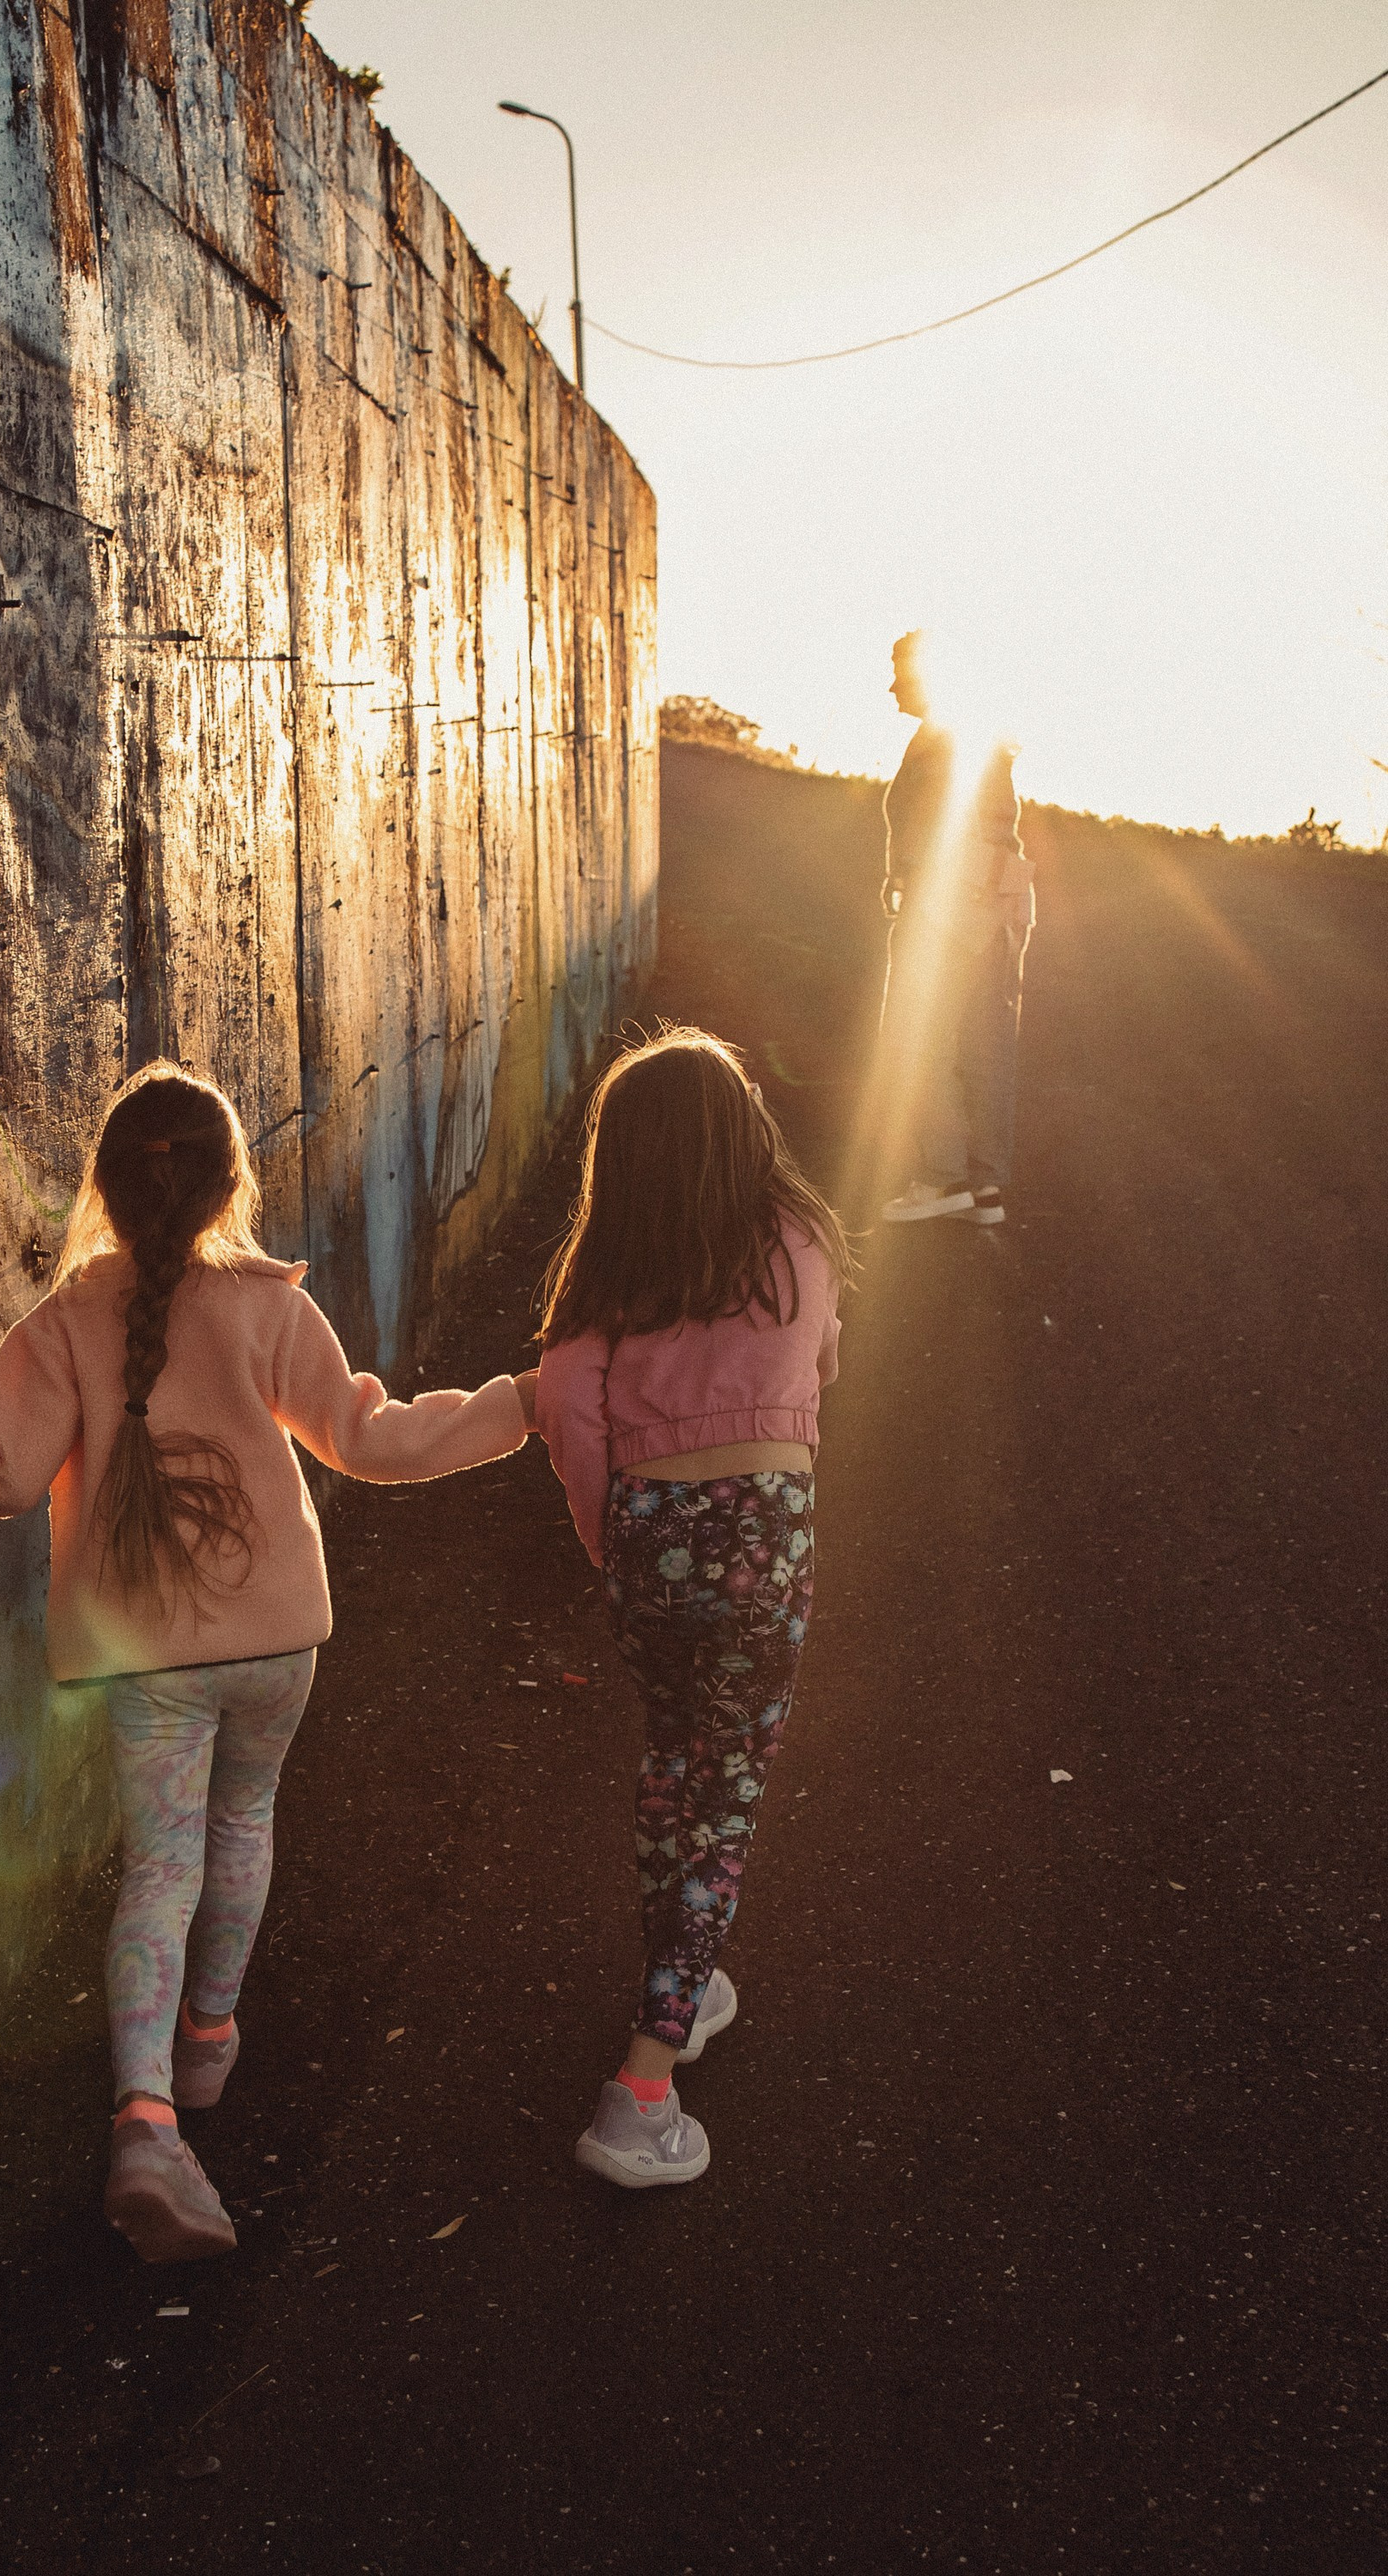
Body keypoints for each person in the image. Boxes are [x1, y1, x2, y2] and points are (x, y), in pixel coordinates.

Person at [0, 1062, 530, 2263]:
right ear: (230, 1184)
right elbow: (371, 1439)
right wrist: (516, 1403)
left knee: (159, 1868)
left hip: (145, 1661)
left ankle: (149, 2119)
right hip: (277, 1644)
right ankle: (210, 2042)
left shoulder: (59, 1325)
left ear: (103, 1187)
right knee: (244, 1827)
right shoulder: (269, 1304)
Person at [527, 1029, 852, 2188]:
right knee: (729, 1793)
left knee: (677, 1770)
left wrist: (612, 1537)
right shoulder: (801, 1242)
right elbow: (820, 1363)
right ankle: (642, 2087)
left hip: (652, 1541)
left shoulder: (615, 1274)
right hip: (765, 1536)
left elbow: (571, 1406)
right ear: (744, 1135)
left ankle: (688, 1978)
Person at [877, 629, 1035, 1225]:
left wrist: (912, 878)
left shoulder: (949, 736)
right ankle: (984, 1185)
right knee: (984, 1043)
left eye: (901, 672)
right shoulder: (977, 733)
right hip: (998, 900)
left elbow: (937, 826)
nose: (891, 684)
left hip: (950, 901)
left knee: (919, 1040)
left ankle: (942, 1178)